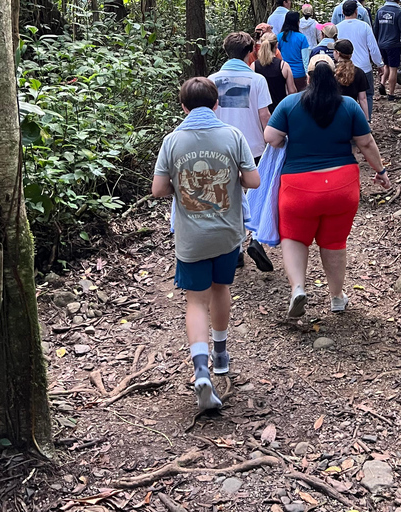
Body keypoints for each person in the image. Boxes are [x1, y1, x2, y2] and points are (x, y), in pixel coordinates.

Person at [151, 77, 261, 410]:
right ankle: (222, 354)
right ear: (216, 104)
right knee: (220, 289)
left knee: (195, 301)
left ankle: (201, 370)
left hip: (191, 237)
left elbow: (158, 189)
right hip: (227, 233)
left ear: (183, 106)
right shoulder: (233, 135)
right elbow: (252, 181)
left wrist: (183, 187)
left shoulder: (172, 141)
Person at [263, 55, 391, 318]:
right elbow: (366, 143)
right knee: (334, 241)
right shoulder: (349, 105)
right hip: (341, 185)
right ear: (333, 76)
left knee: (295, 237)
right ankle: (336, 297)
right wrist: (381, 171)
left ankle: (298, 288)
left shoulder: (290, 103)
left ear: (308, 77)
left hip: (297, 186)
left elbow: (271, 137)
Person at [208, 32, 274, 271]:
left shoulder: (211, 80)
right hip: (253, 146)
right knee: (256, 194)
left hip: (220, 148)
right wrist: (273, 143)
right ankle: (255, 238)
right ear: (250, 52)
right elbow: (264, 115)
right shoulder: (257, 80)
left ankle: (234, 249)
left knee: (230, 196)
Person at [336, 0, 383, 120]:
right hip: (363, 67)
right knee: (367, 95)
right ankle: (365, 122)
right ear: (356, 11)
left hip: (342, 66)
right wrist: (379, 63)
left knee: (343, 96)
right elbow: (373, 47)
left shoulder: (337, 28)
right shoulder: (364, 26)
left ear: (342, 12)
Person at [251, 32, 297, 112]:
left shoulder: (254, 66)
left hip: (261, 111)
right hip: (280, 110)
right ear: (276, 45)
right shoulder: (283, 66)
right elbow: (292, 91)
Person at [374, 0, 401, 101]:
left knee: (386, 65)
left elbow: (376, 29)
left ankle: (382, 83)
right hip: (393, 44)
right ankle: (391, 94)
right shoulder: (398, 12)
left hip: (381, 44)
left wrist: (375, 44)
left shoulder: (380, 11)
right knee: (393, 68)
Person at [333, 39, 369, 120]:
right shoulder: (359, 72)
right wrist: (366, 119)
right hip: (352, 111)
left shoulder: (331, 72)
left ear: (338, 53)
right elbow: (362, 99)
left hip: (334, 111)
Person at [278, 11, 311, 91]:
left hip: (284, 73)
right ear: (297, 22)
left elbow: (277, 55)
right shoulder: (302, 38)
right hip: (299, 74)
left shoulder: (280, 37)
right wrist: (308, 75)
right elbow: (305, 59)